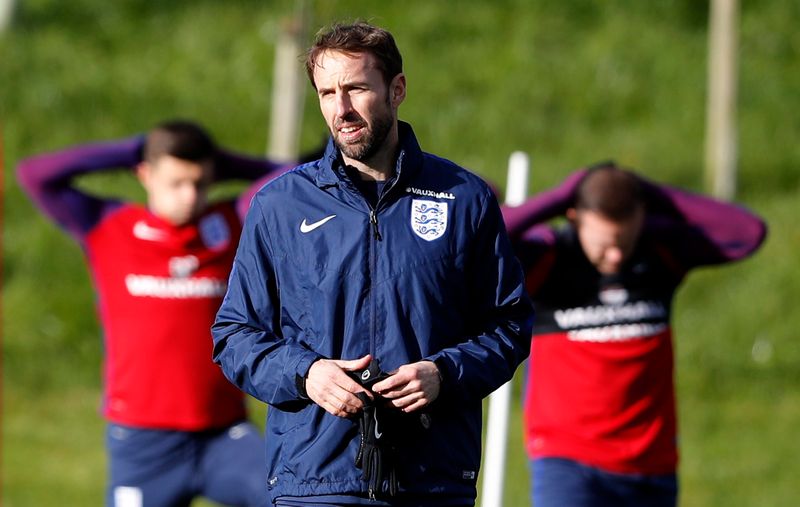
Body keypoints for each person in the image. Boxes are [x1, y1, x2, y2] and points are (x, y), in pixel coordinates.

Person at [211, 22, 534, 507]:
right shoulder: (279, 205)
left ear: (396, 89)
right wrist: (307, 373)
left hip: (433, 480)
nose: (340, 109)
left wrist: (445, 373)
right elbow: (234, 335)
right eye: (326, 93)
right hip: (316, 481)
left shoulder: (464, 198)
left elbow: (509, 325)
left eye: (356, 88)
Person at [16, 120, 297, 507]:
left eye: (200, 183)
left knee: (293, 498)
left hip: (224, 437)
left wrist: (221, 162)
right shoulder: (109, 226)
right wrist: (134, 148)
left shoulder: (229, 223)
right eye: (176, 183)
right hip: (143, 442)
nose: (189, 195)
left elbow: (289, 177)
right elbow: (36, 175)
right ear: (144, 174)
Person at [502, 162, 767, 507]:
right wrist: (562, 194)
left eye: (623, 242)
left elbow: (748, 231)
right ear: (574, 217)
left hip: (652, 469)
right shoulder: (548, 258)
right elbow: (480, 235)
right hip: (568, 465)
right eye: (604, 244)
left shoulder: (658, 252)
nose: (615, 256)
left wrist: (648, 190)